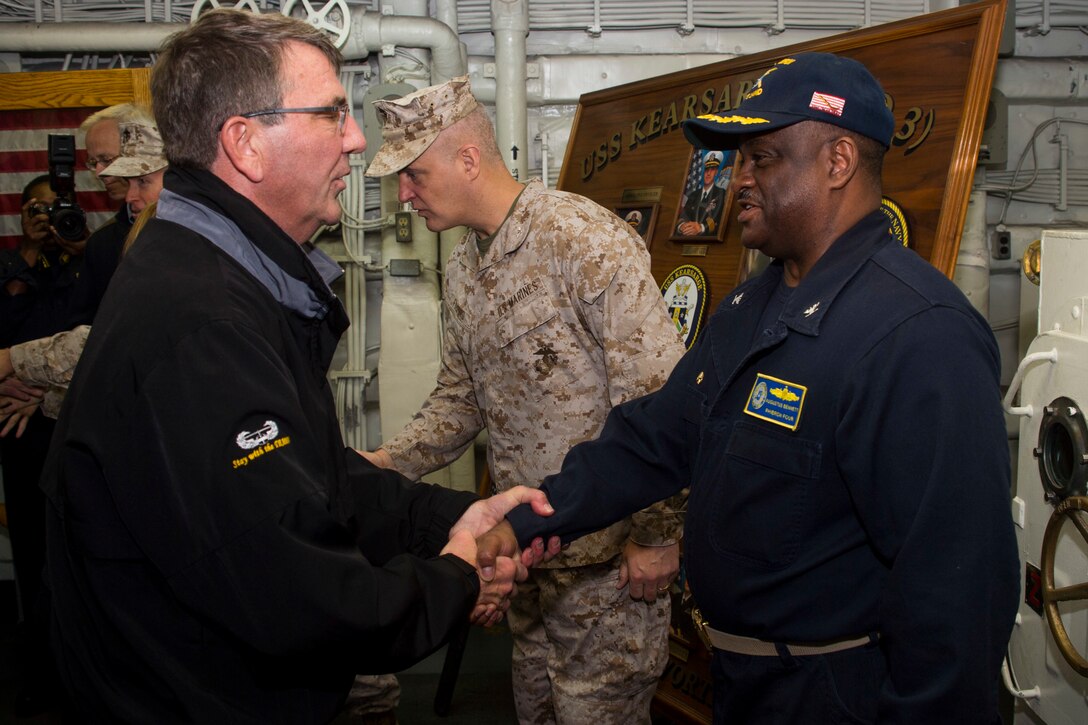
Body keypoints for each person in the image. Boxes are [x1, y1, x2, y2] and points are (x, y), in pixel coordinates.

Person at [38, 10, 555, 723]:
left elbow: (313, 478)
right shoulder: (201, 328)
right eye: (333, 113)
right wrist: (457, 572)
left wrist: (449, 514)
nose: (355, 139)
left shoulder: (217, 277)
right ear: (245, 144)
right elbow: (307, 598)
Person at [487, 52, 1020, 724]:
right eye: (740, 160)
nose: (738, 180)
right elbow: (654, 440)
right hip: (747, 685)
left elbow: (959, 601)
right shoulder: (752, 307)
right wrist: (527, 518)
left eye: (763, 158)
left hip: (837, 696)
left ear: (838, 162)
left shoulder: (918, 336)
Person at [361, 76, 687, 724]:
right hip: (527, 562)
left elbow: (660, 399)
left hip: (608, 568)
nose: (403, 193)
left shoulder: (581, 238)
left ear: (467, 159)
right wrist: (381, 465)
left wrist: (658, 535)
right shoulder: (463, 270)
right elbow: (461, 400)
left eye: (414, 174)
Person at [65, 103, 154, 327]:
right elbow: (85, 327)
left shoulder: (196, 228)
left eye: (107, 159)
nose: (99, 172)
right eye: (93, 162)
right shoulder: (102, 244)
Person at [675, 149, 727, 236]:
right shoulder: (693, 195)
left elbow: (718, 220)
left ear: (716, 172)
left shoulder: (721, 193)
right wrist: (682, 226)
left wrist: (701, 228)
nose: (708, 173)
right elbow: (684, 216)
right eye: (707, 170)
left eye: (712, 170)